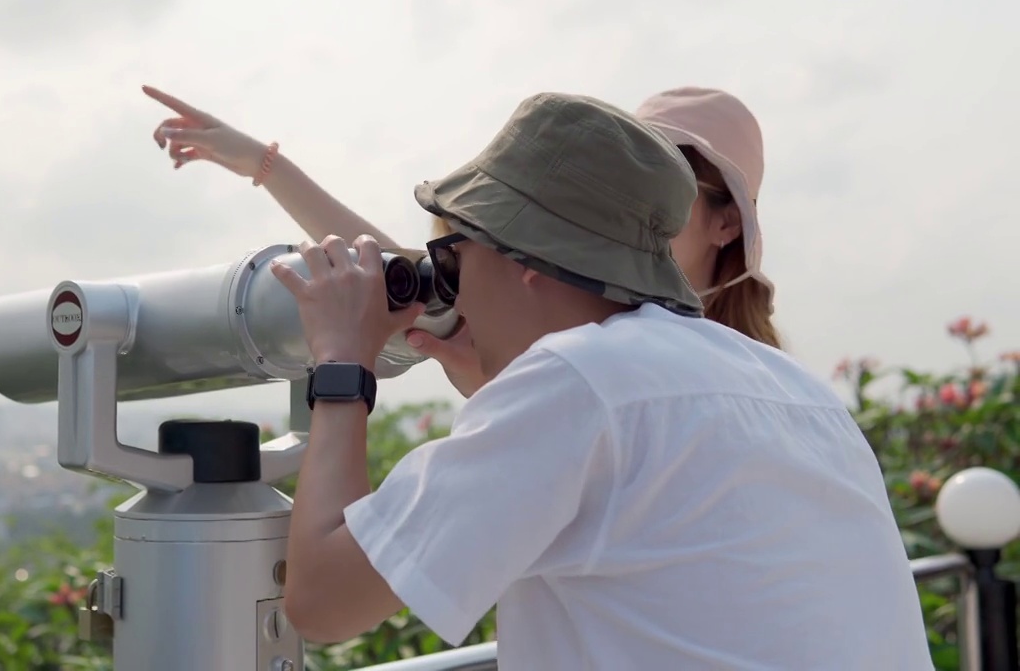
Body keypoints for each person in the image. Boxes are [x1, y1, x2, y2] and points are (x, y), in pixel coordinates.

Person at [211, 91, 932, 668]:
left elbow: (324, 602)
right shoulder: (786, 384)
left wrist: (342, 365)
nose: (448, 288)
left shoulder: (578, 384)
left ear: (525, 261)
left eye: (451, 259)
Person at [142, 84, 780, 397]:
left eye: (676, 172)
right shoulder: (564, 308)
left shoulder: (742, 377)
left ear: (727, 222)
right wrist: (264, 164)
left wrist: (341, 375)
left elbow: (332, 598)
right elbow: (414, 279)